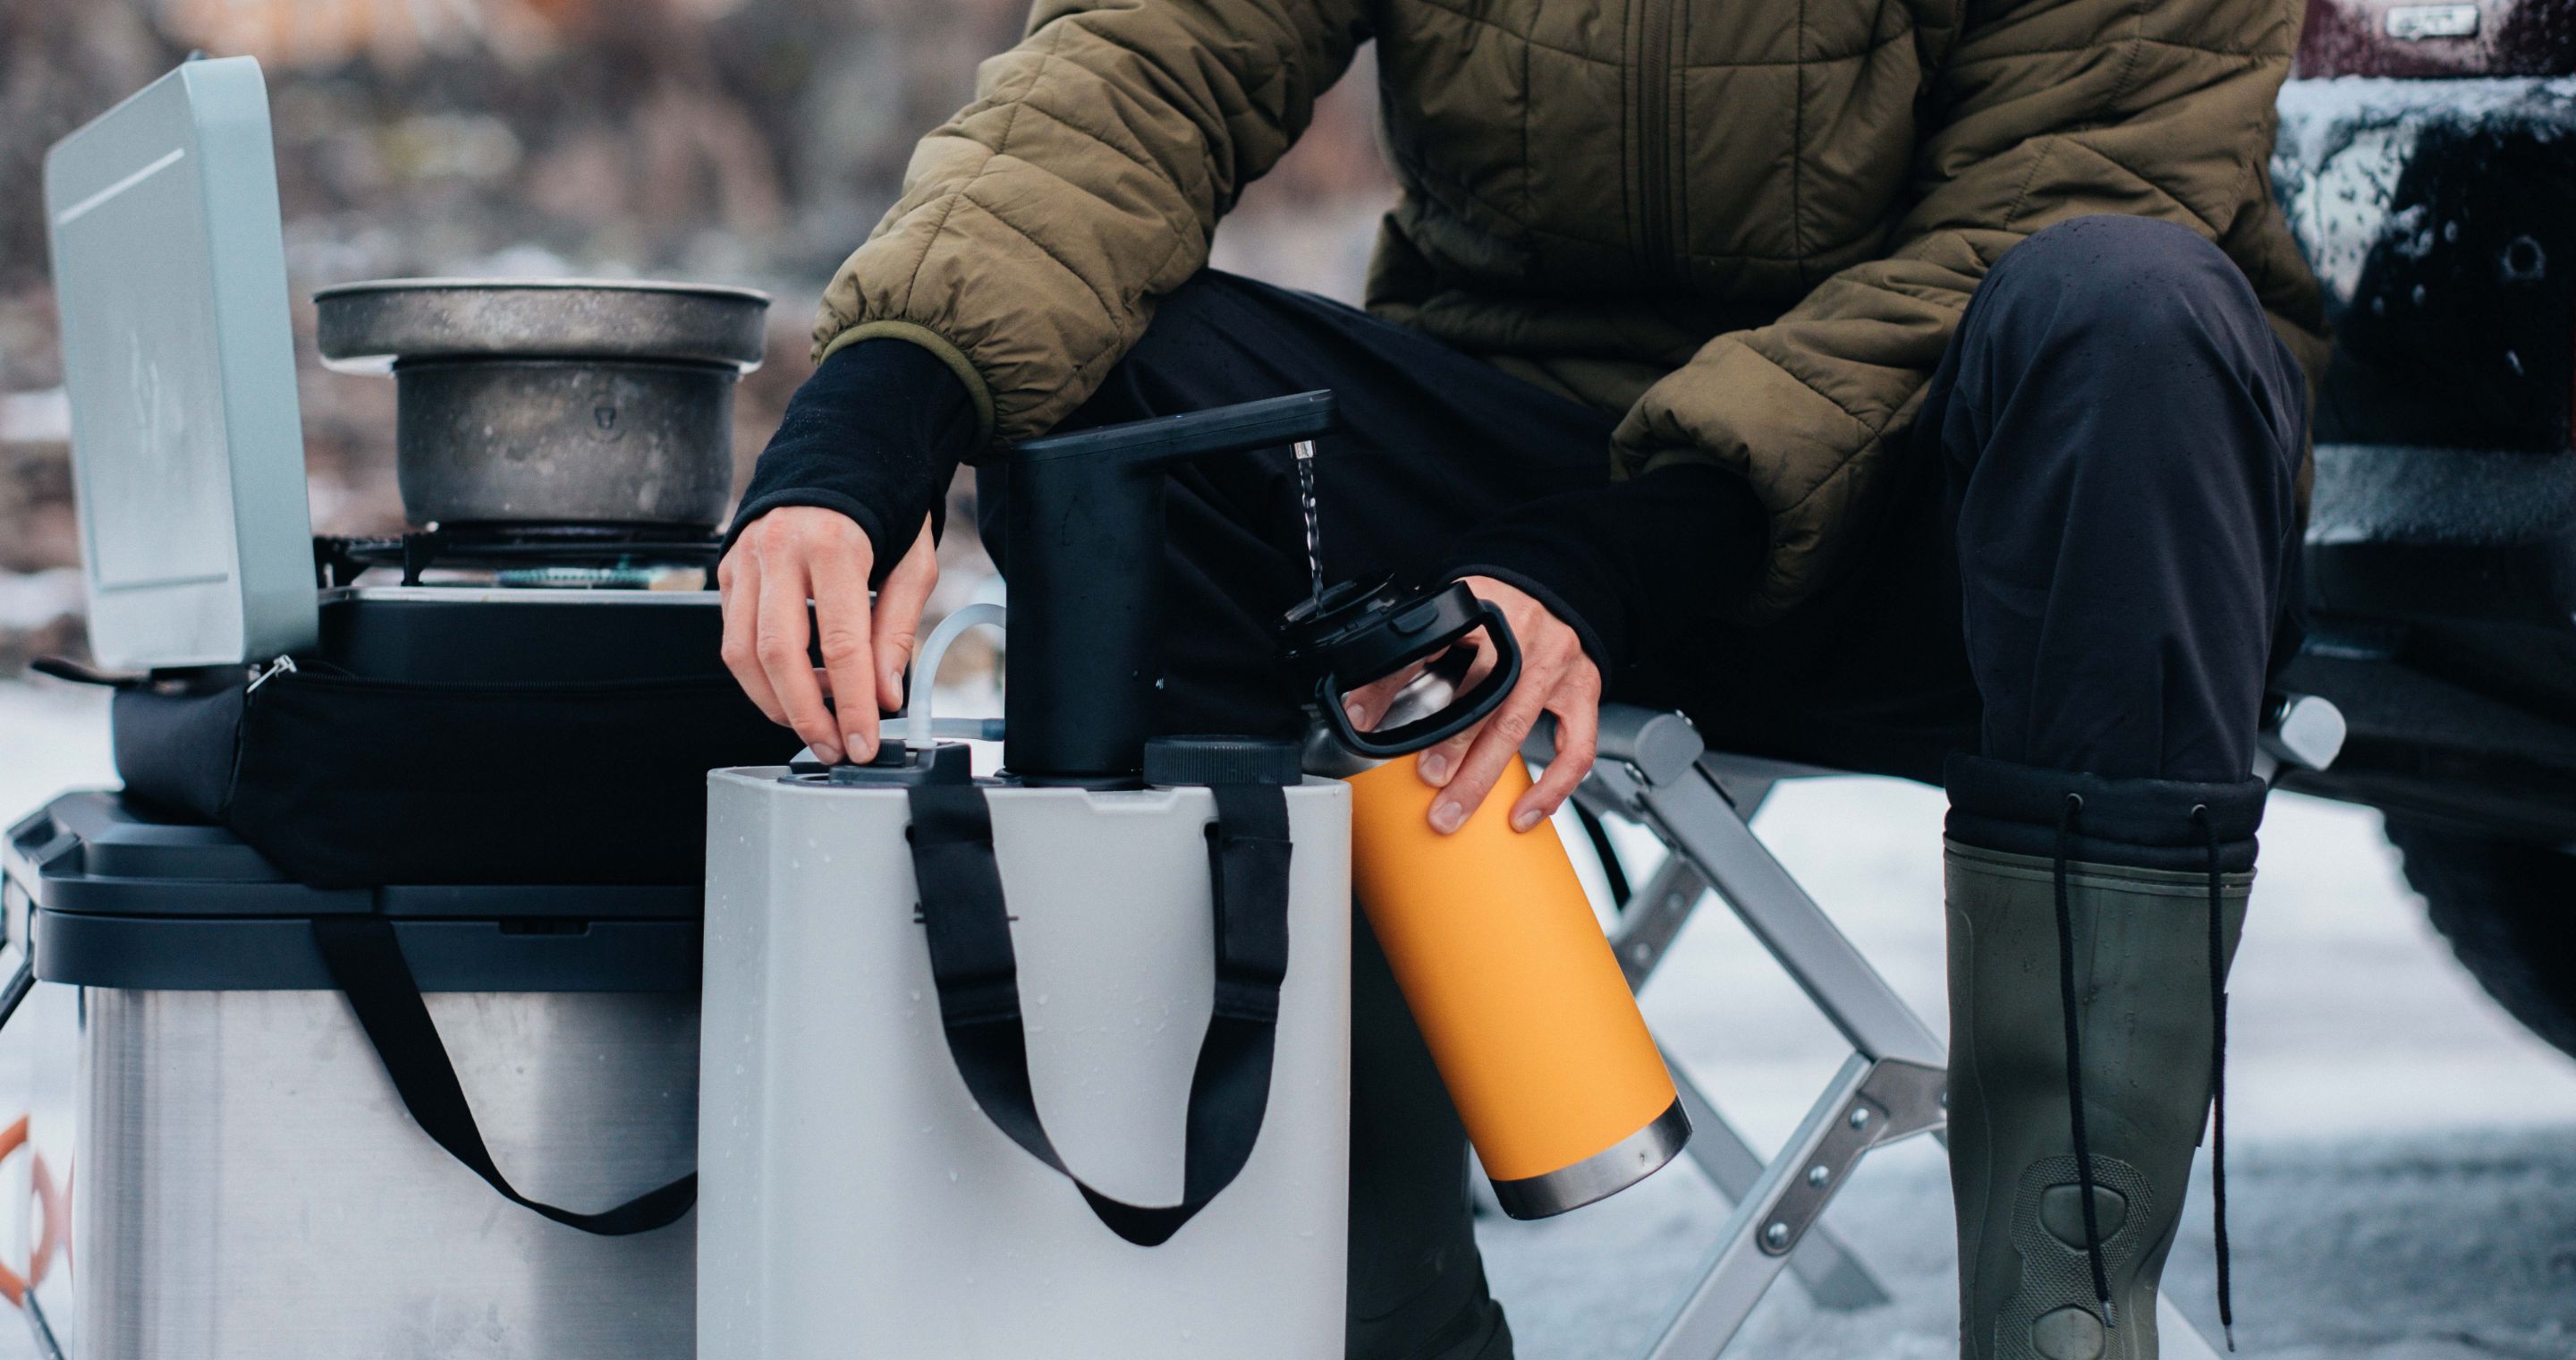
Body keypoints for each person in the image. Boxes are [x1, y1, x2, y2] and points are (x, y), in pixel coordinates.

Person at [716, 2, 2326, 1356]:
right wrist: (878, 416)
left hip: (1961, 527)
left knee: (2135, 317)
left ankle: (2066, 1326)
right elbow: (1148, 54)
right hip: (1518, 473)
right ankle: (1352, 1310)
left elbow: (2071, 185)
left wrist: (1614, 558)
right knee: (1137, 409)